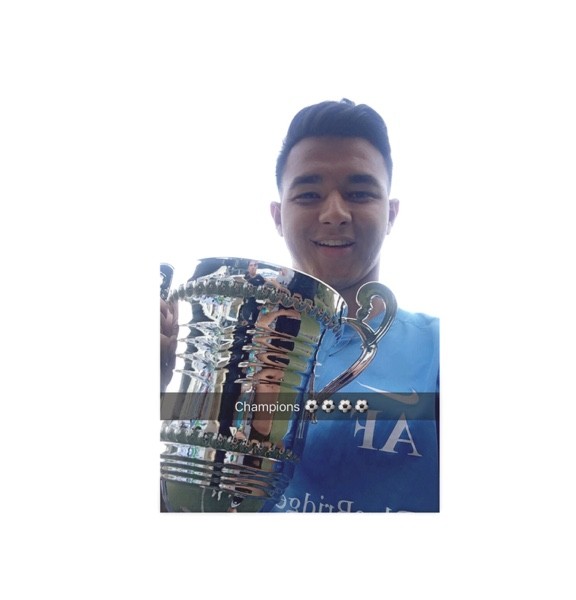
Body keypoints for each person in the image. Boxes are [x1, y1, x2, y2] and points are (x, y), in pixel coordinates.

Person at [160, 99, 439, 512]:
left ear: (391, 213)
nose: (334, 213)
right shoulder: (215, 349)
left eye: (359, 193)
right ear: (277, 216)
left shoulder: (438, 351)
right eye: (309, 194)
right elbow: (180, 506)